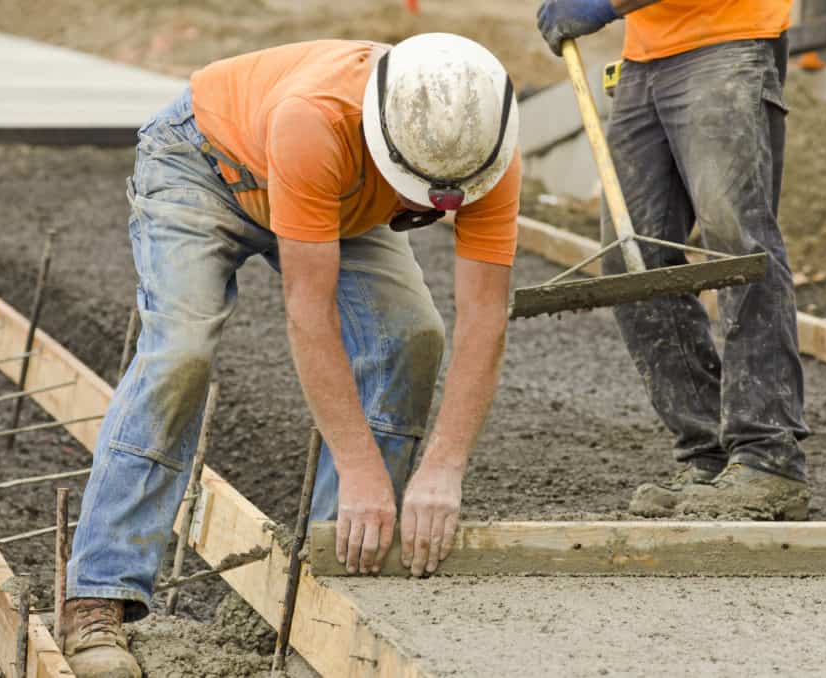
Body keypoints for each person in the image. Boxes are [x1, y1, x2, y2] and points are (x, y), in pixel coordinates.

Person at [60, 33, 521, 678]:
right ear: (386, 144)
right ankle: (99, 592)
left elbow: (483, 318)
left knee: (412, 336)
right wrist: (360, 464)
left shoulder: (483, 146)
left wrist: (444, 468)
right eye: (414, 191)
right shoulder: (318, 117)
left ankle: (338, 568)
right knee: (181, 352)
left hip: (341, 197)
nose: (423, 208)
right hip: (208, 163)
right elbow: (310, 310)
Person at [537, 0, 810, 520]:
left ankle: (767, 458)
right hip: (645, 58)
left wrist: (601, 3)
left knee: (738, 247)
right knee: (633, 259)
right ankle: (709, 453)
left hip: (728, 42)